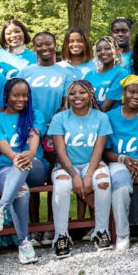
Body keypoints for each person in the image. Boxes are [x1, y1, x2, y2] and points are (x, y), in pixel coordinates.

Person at [0, 77, 47, 260]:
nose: (21, 99)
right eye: (16, 95)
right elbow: (2, 145)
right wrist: (14, 157)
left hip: (36, 167)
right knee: (21, 190)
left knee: (23, 164)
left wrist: (31, 152)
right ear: (6, 96)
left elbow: (34, 135)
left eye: (25, 96)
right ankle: (24, 243)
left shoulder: (35, 114)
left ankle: (0, 209)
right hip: (6, 169)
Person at [48, 80, 113, 258]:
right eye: (72, 93)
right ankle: (61, 236)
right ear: (67, 97)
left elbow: (99, 149)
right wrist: (75, 175)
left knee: (103, 182)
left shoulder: (101, 117)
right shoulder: (60, 118)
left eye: (82, 92)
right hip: (66, 166)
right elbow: (60, 151)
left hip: (92, 163)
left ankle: (101, 231)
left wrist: (89, 174)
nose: (77, 96)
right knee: (61, 186)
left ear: (90, 95)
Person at [105, 76, 138, 251]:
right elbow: (104, 151)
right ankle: (122, 234)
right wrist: (123, 159)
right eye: (132, 92)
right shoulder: (110, 117)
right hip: (119, 161)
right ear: (123, 93)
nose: (136, 96)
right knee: (120, 186)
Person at [17, 31, 71, 131]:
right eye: (39, 45)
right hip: (27, 126)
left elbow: (67, 104)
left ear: (55, 45)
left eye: (48, 44)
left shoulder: (66, 74)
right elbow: (15, 101)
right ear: (34, 47)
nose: (44, 48)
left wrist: (54, 124)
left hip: (56, 128)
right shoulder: (24, 72)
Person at [85, 36, 128, 111]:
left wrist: (91, 120)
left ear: (117, 51)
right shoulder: (89, 75)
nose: (102, 52)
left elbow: (107, 106)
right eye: (98, 50)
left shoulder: (121, 73)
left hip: (109, 120)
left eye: (107, 48)